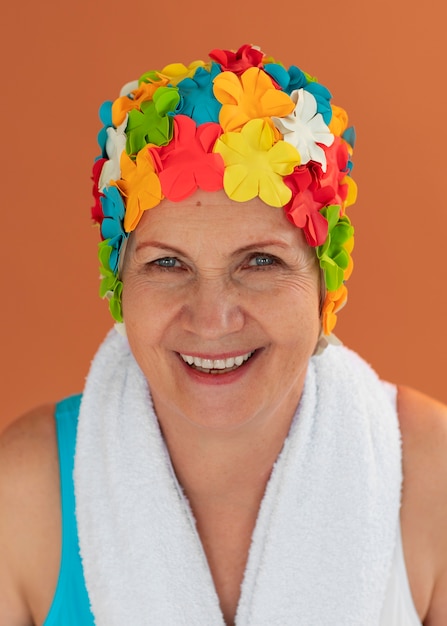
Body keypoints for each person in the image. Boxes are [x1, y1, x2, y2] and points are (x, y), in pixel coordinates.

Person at [0, 43, 446, 626]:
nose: (212, 319)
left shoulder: (433, 479)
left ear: (323, 287)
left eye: (259, 262)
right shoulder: (27, 493)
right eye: (167, 263)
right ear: (120, 286)